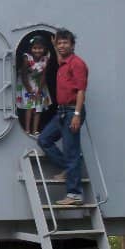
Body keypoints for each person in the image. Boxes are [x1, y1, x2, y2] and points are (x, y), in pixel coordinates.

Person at [37, 29, 88, 206]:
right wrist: (53, 46)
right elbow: (59, 57)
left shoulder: (77, 64)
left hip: (72, 111)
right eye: (59, 43)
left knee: (71, 151)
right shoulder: (64, 62)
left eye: (65, 42)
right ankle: (68, 167)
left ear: (72, 45)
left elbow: (81, 91)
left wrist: (76, 115)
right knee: (44, 139)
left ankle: (75, 194)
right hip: (61, 112)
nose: (62, 45)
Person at [15, 35, 52, 135]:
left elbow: (44, 75)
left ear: (44, 49)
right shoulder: (27, 58)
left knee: (38, 108)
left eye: (40, 48)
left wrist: (39, 90)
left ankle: (35, 130)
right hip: (27, 84)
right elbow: (23, 76)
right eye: (35, 48)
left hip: (39, 84)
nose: (37, 51)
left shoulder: (45, 59)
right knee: (29, 107)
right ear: (31, 49)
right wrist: (29, 89)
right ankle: (27, 129)